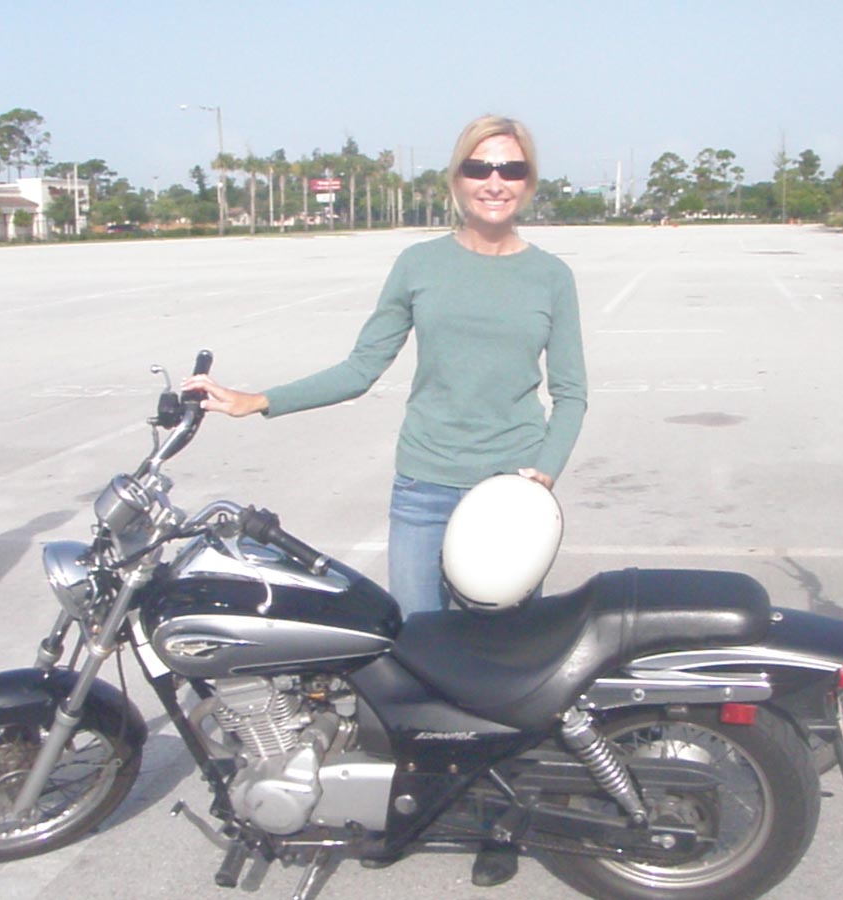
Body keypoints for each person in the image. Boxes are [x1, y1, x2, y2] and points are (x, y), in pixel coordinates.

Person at [182, 115, 587, 885]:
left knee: (503, 671)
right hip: (425, 487)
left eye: (510, 169)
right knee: (418, 660)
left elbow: (571, 393)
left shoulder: (550, 277)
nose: (494, 182)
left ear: (528, 182)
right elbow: (361, 367)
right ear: (457, 178)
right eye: (479, 167)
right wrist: (257, 401)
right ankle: (431, 804)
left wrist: (540, 475)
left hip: (507, 505)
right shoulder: (418, 265)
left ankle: (501, 818)